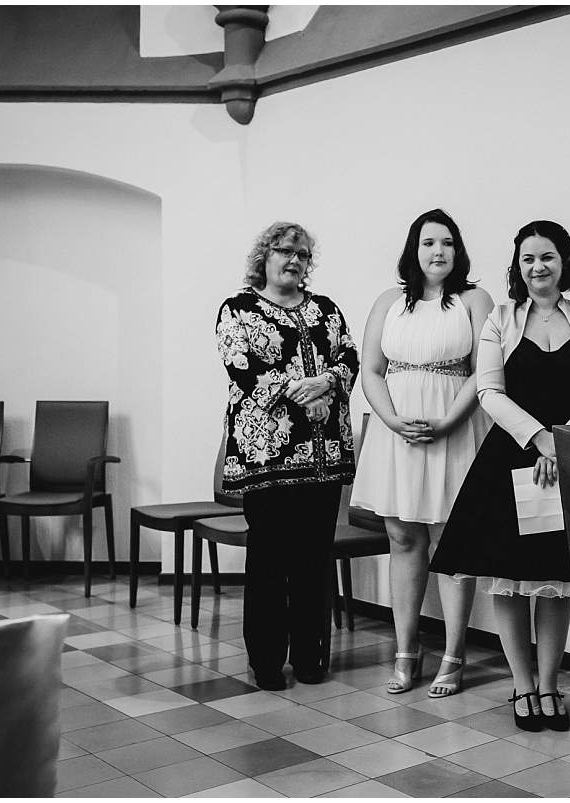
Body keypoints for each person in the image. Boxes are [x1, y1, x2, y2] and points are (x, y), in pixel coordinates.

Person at [431, 220, 570, 732]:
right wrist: (540, 439)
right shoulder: (501, 320)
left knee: (558, 578)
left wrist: (564, 442)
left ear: (565, 262)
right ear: (518, 265)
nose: (538, 266)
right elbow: (489, 392)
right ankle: (523, 685)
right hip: (510, 457)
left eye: (548, 257)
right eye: (528, 258)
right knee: (509, 581)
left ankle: (551, 685)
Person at [351, 209, 493, 697]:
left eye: (448, 243)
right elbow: (370, 369)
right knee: (403, 539)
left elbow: (484, 369)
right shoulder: (390, 301)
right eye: (429, 242)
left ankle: (454, 655)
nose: (439, 252)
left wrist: (451, 419)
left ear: (459, 250)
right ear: (414, 249)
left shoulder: (475, 299)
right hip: (397, 433)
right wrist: (390, 421)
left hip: (453, 427)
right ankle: (406, 651)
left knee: (450, 542)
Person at [215, 221, 358, 691]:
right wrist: (305, 391)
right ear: (264, 256)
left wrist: (328, 383)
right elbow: (244, 369)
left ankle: (311, 656)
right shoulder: (237, 310)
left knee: (313, 561)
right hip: (266, 459)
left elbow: (349, 357)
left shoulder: (326, 311)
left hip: (323, 457)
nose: (293, 260)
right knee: (270, 561)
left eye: (301, 254)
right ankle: (267, 660)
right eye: (283, 251)